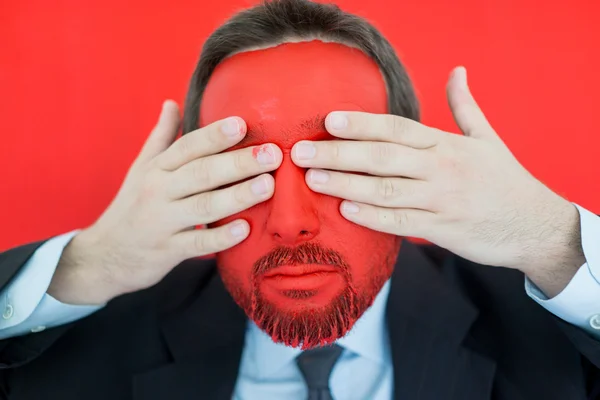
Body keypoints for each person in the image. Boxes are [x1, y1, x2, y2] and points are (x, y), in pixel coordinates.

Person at [0, 0, 599, 399]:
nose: (290, 224)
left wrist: (554, 242)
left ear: (409, 163)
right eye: (244, 168)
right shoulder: (93, 338)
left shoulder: (550, 339)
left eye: (336, 160)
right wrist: (88, 266)